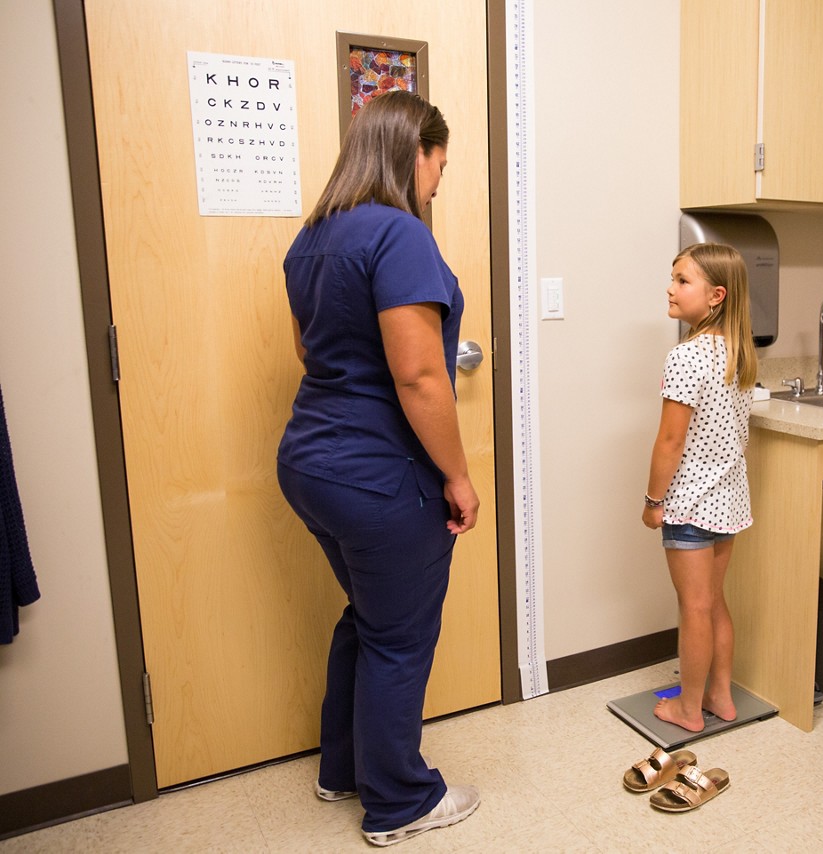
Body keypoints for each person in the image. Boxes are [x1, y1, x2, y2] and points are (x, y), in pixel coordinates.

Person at [276, 89, 480, 847]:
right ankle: (399, 802)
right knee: (400, 635)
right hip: (379, 475)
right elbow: (420, 377)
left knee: (369, 618)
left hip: (310, 464)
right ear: (412, 152)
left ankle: (343, 767)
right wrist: (458, 478)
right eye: (439, 164)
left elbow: (309, 350)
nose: (439, 182)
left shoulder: (312, 239)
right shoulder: (401, 235)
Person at [642, 242, 757, 733]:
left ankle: (688, 710)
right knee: (714, 603)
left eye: (683, 281)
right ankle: (720, 696)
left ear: (716, 295)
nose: (671, 288)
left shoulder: (687, 356)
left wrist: (653, 501)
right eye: (672, 278)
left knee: (693, 609)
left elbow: (670, 441)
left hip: (690, 503)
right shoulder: (739, 354)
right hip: (728, 501)